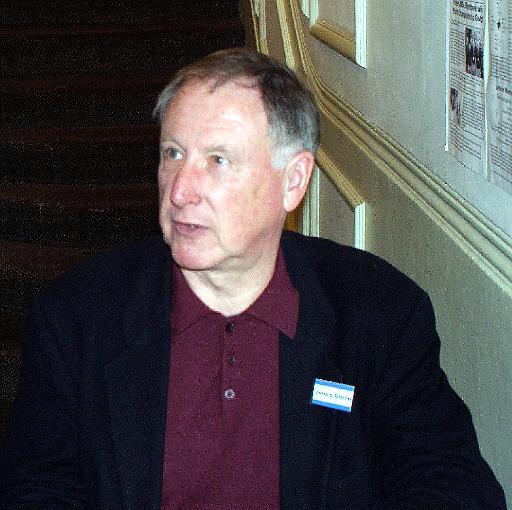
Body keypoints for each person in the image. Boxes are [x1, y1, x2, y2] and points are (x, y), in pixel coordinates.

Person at [0, 48, 506, 509]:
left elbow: (452, 483)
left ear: (294, 181)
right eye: (172, 153)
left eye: (218, 161)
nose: (180, 191)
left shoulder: (379, 313)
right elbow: (36, 486)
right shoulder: (76, 316)